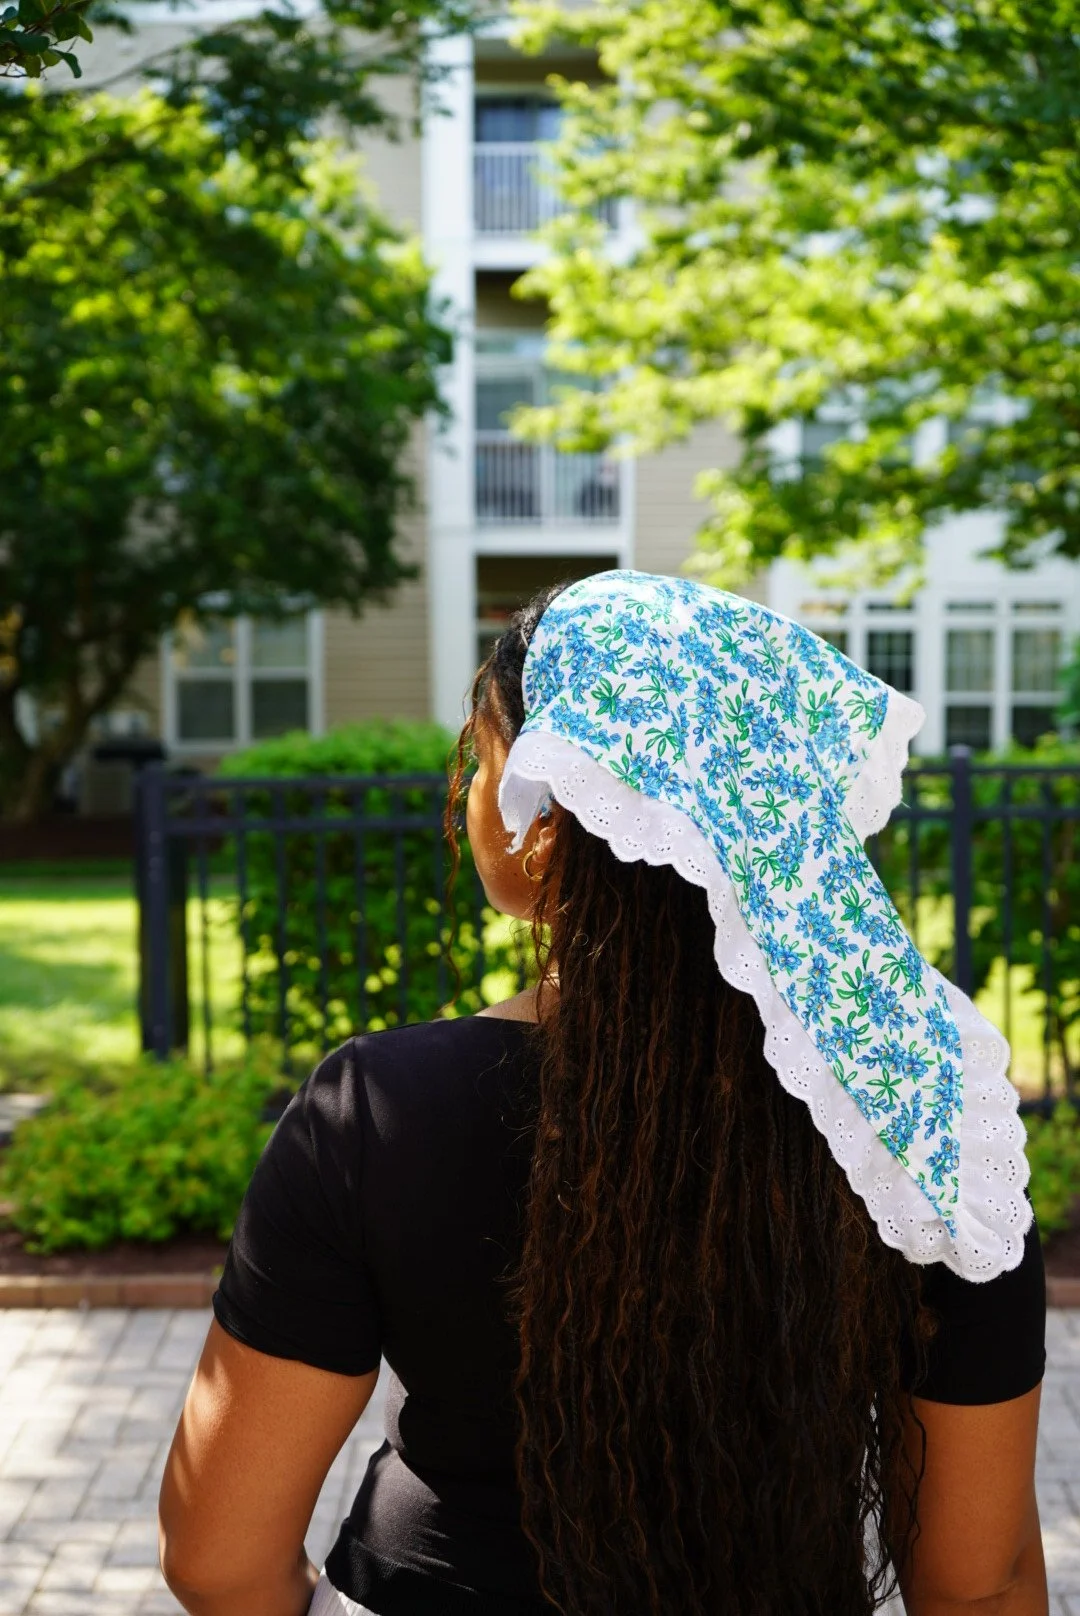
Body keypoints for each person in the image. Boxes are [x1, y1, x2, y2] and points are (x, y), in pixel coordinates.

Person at [159, 570, 1047, 1616]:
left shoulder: (374, 1110)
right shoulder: (931, 1114)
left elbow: (218, 1558)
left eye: (480, 759)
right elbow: (978, 1581)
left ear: (546, 807)